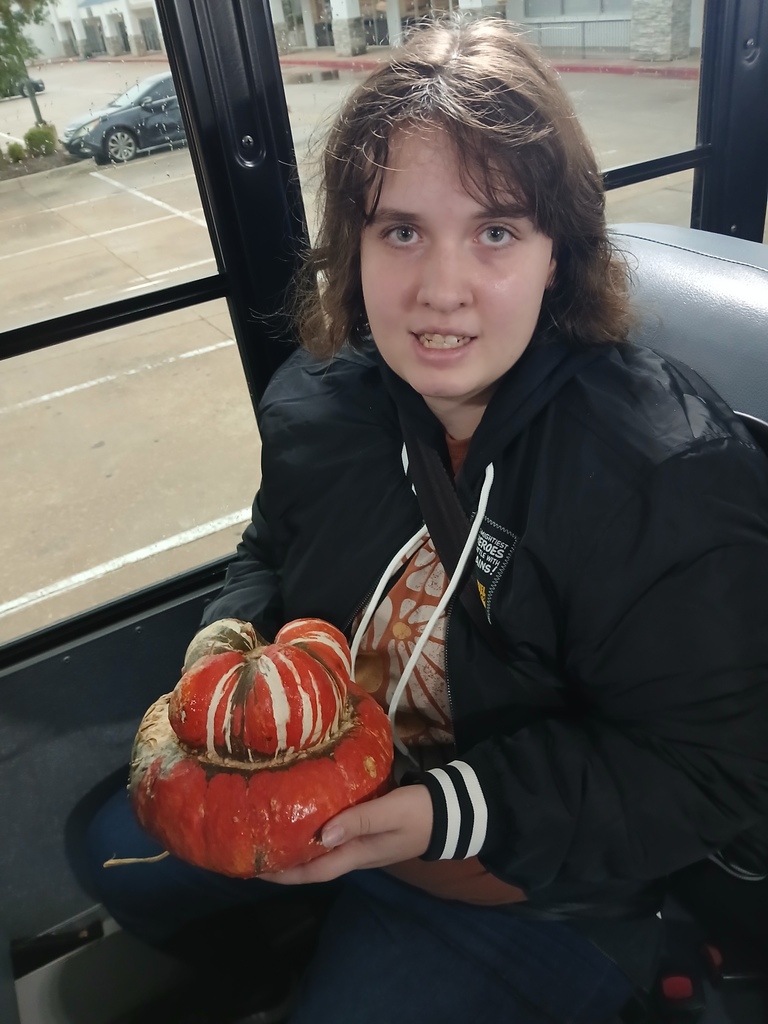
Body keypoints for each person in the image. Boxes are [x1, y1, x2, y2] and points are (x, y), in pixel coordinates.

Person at [77, 17, 768, 1024]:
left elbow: (709, 765)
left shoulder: (666, 476)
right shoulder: (320, 404)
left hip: (526, 884)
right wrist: (222, 648)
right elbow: (271, 547)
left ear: (558, 254)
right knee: (108, 851)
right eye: (401, 230)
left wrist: (437, 813)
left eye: (495, 230)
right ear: (352, 247)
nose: (440, 290)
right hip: (312, 792)